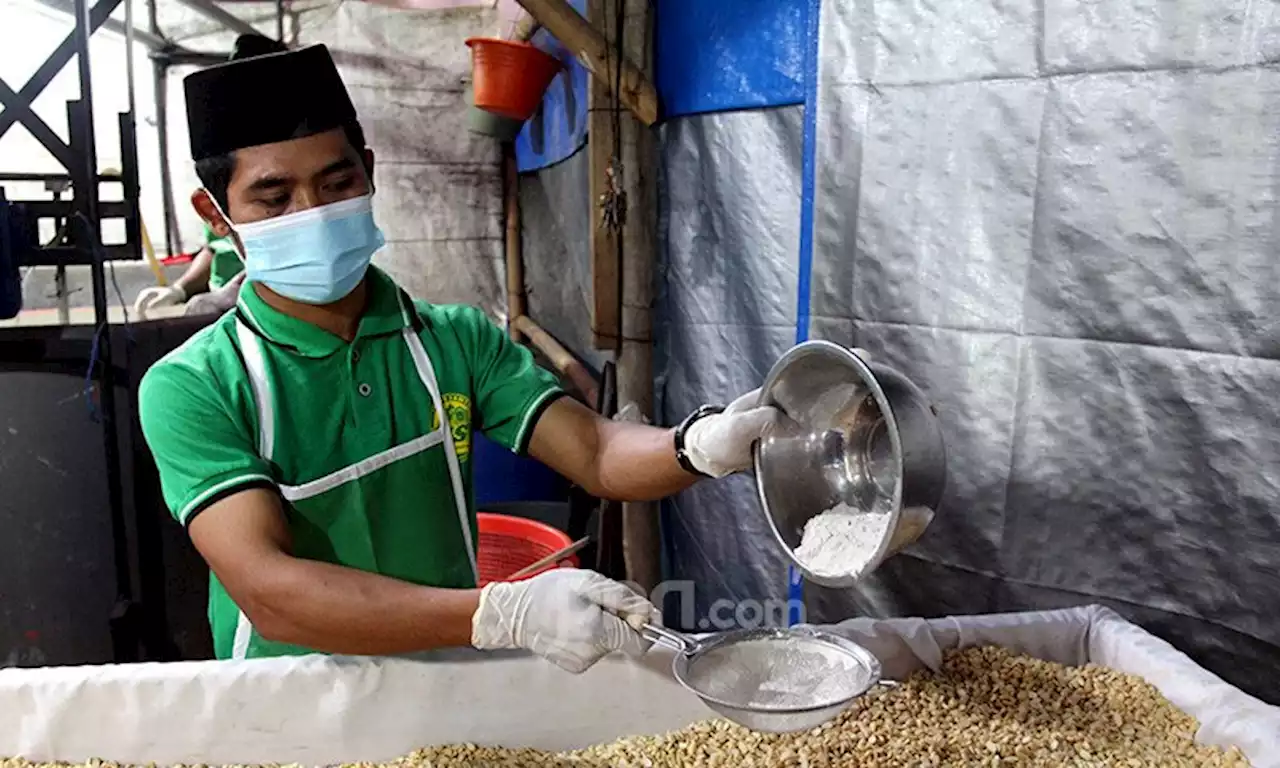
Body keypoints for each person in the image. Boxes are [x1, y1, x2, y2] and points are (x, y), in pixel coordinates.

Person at [138, 44, 779, 671]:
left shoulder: (455, 339)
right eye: (274, 200)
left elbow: (597, 452)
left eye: (337, 183)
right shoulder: (195, 386)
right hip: (288, 698)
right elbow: (269, 591)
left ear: (367, 171)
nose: (314, 214)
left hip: (443, 675)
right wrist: (500, 613)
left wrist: (697, 446)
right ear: (216, 213)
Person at [134, 34, 289, 320]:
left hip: (267, 309)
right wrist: (180, 289)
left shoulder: (294, 168)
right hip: (225, 306)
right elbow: (216, 246)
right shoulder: (224, 161)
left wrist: (240, 294)